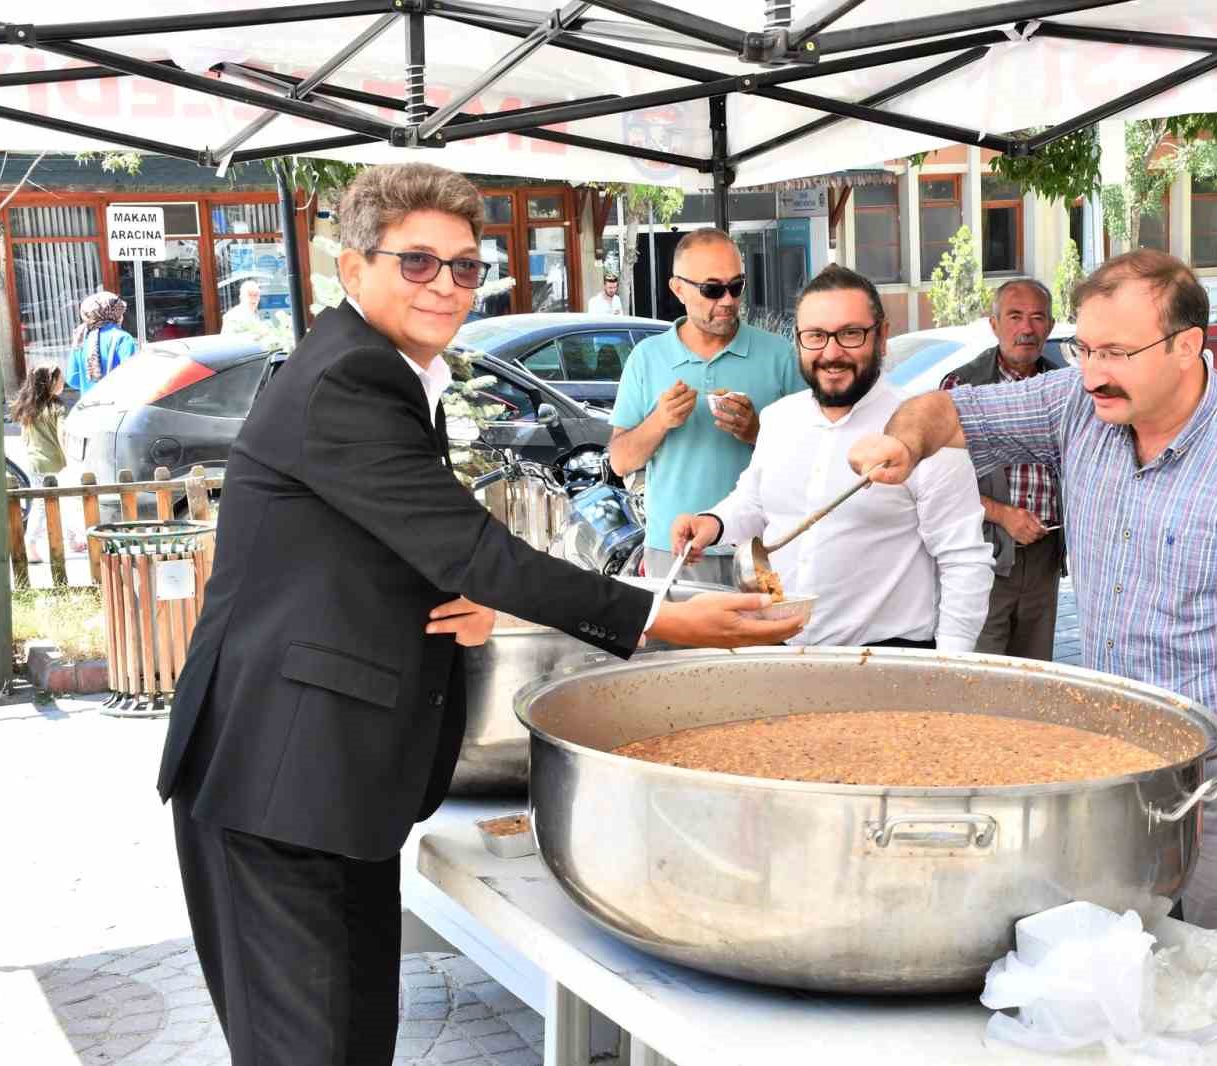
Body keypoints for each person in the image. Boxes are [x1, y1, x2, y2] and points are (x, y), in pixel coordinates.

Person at [155, 163, 802, 1066]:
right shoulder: (349, 376)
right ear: (353, 270)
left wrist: (440, 602)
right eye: (418, 263)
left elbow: (379, 544)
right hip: (277, 778)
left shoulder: (387, 371)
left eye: (466, 267)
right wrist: (660, 620)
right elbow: (471, 547)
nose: (447, 286)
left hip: (331, 780)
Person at [848, 249, 1217, 942]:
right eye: (1085, 347)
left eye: (1117, 353)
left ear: (1188, 347)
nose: (1093, 372)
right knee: (1128, 956)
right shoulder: (1077, 402)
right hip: (1121, 753)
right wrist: (905, 444)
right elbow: (944, 411)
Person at [672, 265, 993, 650]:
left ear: (883, 336)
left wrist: (949, 665)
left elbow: (964, 559)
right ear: (799, 340)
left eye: (850, 334)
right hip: (782, 651)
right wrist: (712, 522)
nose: (831, 353)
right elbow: (755, 501)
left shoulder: (924, 431)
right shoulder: (778, 418)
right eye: (816, 336)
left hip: (887, 660)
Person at [609, 228, 803, 584]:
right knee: (677, 643)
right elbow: (621, 461)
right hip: (674, 551)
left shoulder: (779, 355)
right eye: (713, 289)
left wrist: (756, 432)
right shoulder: (647, 358)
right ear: (678, 288)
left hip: (760, 550)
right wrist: (660, 421)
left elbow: (810, 459)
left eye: (737, 286)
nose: (728, 300)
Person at [941, 279, 1066, 659]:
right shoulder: (961, 386)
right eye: (1014, 316)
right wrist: (1003, 515)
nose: (1026, 329)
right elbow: (942, 486)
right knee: (982, 676)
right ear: (994, 324)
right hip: (984, 553)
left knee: (1036, 673)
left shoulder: (1066, 386)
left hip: (1045, 557)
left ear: (1050, 326)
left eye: (1037, 318)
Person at [10, 363, 66, 564]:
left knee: (50, 501)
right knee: (49, 503)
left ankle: (74, 538)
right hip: (52, 465)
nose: (63, 382)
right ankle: (30, 543)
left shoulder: (29, 406)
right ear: (50, 382)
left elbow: (24, 437)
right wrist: (70, 457)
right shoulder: (57, 407)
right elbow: (63, 435)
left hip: (33, 462)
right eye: (60, 379)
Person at [65, 291, 137, 395]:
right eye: (120, 313)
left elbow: (73, 379)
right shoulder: (122, 338)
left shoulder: (81, 337)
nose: (122, 317)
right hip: (117, 405)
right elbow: (130, 378)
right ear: (113, 314)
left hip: (88, 405)